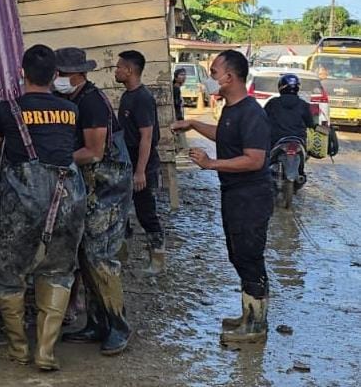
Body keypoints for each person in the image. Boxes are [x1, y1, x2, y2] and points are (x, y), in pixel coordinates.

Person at [0, 45, 85, 371]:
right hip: (67, 201)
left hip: (21, 206)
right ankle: (45, 351)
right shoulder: (70, 110)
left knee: (9, 276)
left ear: (21, 73)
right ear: (56, 76)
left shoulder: (3, 111)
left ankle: (18, 348)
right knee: (58, 272)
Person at [171, 50, 273, 344]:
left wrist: (211, 164)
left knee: (249, 257)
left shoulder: (252, 112)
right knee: (238, 254)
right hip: (234, 193)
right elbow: (225, 135)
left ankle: (256, 327)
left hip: (251, 196)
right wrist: (192, 124)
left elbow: (254, 159)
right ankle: (249, 316)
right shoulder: (231, 109)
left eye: (213, 72)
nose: (210, 78)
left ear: (229, 77)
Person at [54, 47, 133, 356]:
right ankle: (97, 323)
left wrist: (56, 160)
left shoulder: (92, 102)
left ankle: (118, 326)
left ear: (78, 75)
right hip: (90, 186)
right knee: (86, 255)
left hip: (108, 186)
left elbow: (94, 152)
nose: (56, 79)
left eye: (61, 75)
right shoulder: (72, 98)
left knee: (101, 257)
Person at [115, 50, 166, 276]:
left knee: (146, 214)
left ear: (130, 70)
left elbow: (147, 137)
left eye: (118, 67)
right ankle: (121, 257)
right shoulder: (127, 96)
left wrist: (140, 172)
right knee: (121, 211)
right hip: (127, 162)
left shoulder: (142, 98)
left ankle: (157, 262)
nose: (115, 71)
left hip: (142, 163)